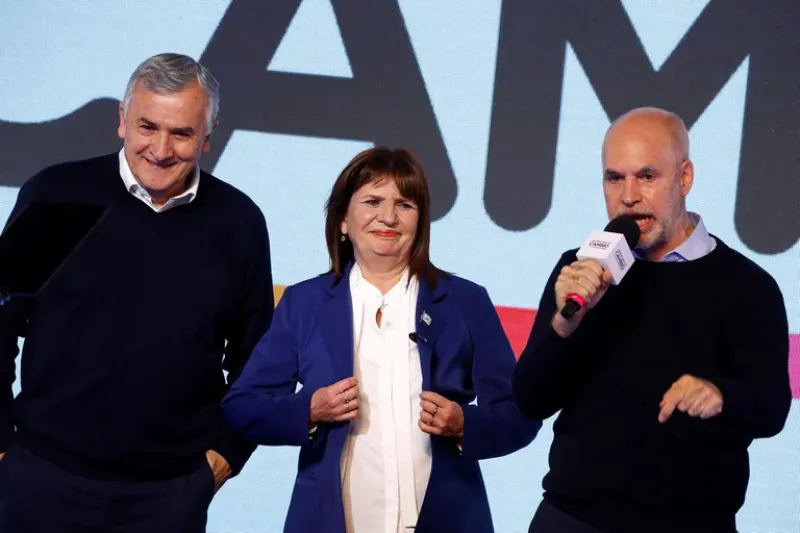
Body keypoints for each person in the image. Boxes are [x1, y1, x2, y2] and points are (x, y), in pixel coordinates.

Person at [0, 53, 274, 532]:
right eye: (148, 126)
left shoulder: (238, 223)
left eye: (182, 133)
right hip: (38, 482)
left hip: (168, 497)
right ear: (122, 121)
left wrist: (224, 457)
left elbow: (258, 359)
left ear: (207, 138)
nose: (161, 149)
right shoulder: (56, 194)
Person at [221, 146, 541, 533]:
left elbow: (520, 414)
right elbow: (242, 406)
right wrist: (309, 409)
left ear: (420, 220)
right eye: (372, 201)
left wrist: (464, 424)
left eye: (404, 204)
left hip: (449, 518)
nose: (388, 217)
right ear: (343, 219)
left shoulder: (465, 301)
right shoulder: (304, 303)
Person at [512, 107, 791, 533]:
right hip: (572, 518)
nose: (628, 196)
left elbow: (772, 409)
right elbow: (531, 400)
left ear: (684, 178)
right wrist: (564, 326)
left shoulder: (747, 286)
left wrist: (721, 394)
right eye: (614, 178)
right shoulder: (581, 269)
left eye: (646, 176)